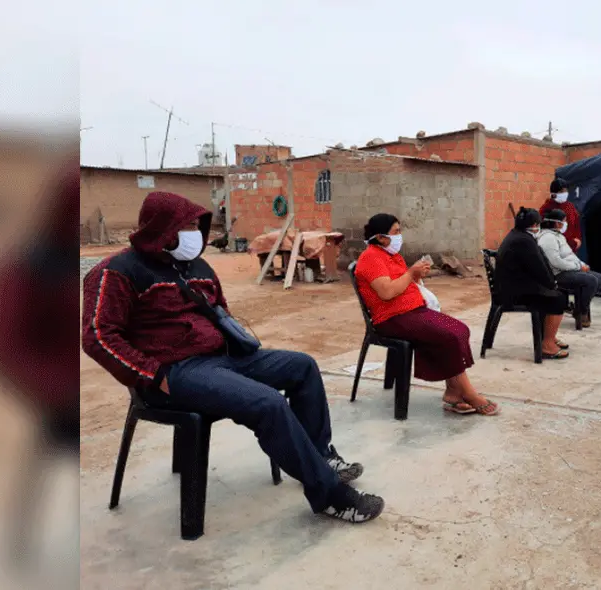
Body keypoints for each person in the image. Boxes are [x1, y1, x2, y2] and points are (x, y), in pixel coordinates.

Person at [81, 191, 385, 524]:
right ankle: (331, 496)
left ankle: (321, 457)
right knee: (268, 404)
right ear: (163, 229)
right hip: (174, 372)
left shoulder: (198, 267)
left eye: (198, 225)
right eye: (188, 226)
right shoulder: (117, 271)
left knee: (303, 366)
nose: (195, 234)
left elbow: (220, 311)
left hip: (224, 358)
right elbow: (98, 336)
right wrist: (154, 375)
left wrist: (234, 342)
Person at [354, 213, 499, 416]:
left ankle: (453, 392)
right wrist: (411, 273)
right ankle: (467, 392)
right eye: (396, 232)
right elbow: (386, 292)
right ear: (381, 237)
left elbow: (404, 282)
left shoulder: (391, 256)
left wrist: (416, 275)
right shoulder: (371, 258)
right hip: (391, 318)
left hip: (412, 311)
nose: (399, 236)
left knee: (460, 329)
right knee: (448, 336)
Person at [495, 208, 570, 359]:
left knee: (556, 292)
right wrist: (551, 284)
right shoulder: (524, 241)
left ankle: (549, 336)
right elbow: (539, 268)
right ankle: (547, 345)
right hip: (515, 294)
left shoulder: (517, 235)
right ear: (535, 224)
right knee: (559, 298)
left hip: (512, 287)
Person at [535, 208, 601, 328]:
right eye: (564, 221)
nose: (565, 224)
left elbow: (570, 255)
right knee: (591, 281)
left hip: (569, 269)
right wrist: (577, 266)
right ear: (557, 223)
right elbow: (555, 261)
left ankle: (580, 307)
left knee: (599, 278)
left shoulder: (558, 236)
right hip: (558, 274)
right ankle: (581, 311)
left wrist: (582, 264)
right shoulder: (548, 238)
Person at [540, 177, 582, 252]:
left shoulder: (570, 206)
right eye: (561, 191)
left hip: (571, 249)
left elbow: (576, 224)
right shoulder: (546, 208)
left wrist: (577, 239)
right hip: (555, 249)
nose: (565, 193)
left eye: (566, 191)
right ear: (553, 194)